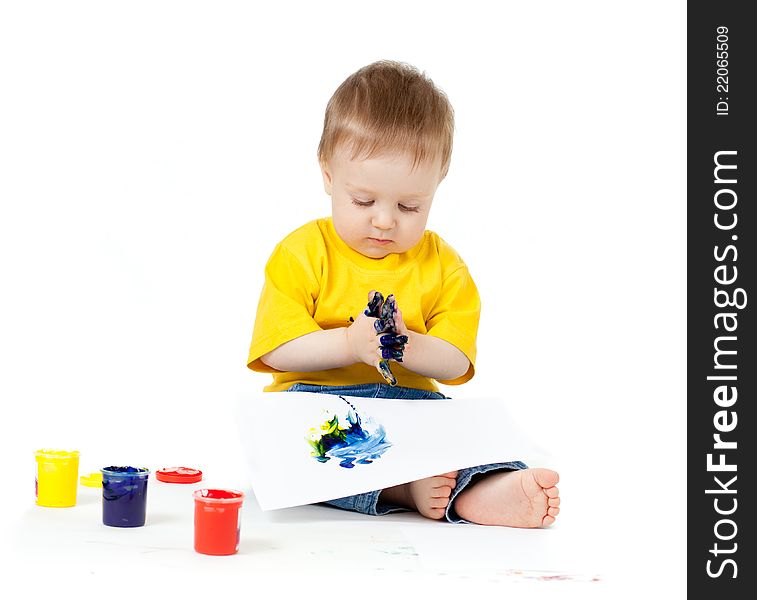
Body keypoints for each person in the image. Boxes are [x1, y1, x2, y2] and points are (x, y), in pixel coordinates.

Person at [247, 60, 560, 527]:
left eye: (410, 206)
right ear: (328, 175)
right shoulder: (302, 252)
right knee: (285, 449)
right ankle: (404, 486)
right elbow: (278, 350)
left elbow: (456, 362)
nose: (385, 220)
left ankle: (488, 487)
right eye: (364, 201)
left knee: (464, 432)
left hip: (409, 409)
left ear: (438, 185)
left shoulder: (444, 265)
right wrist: (349, 344)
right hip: (318, 407)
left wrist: (407, 344)